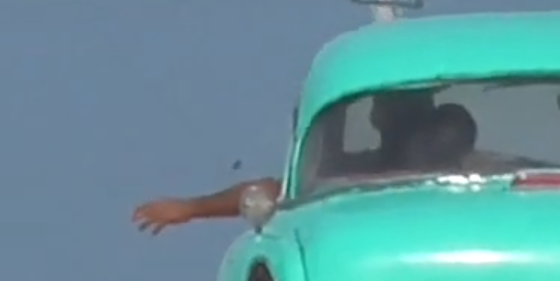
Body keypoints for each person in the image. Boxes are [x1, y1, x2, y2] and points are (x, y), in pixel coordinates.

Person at [132, 91, 436, 235]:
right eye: (381, 109)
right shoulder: (356, 171)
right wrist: (190, 208)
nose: (377, 117)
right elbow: (275, 191)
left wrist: (191, 209)